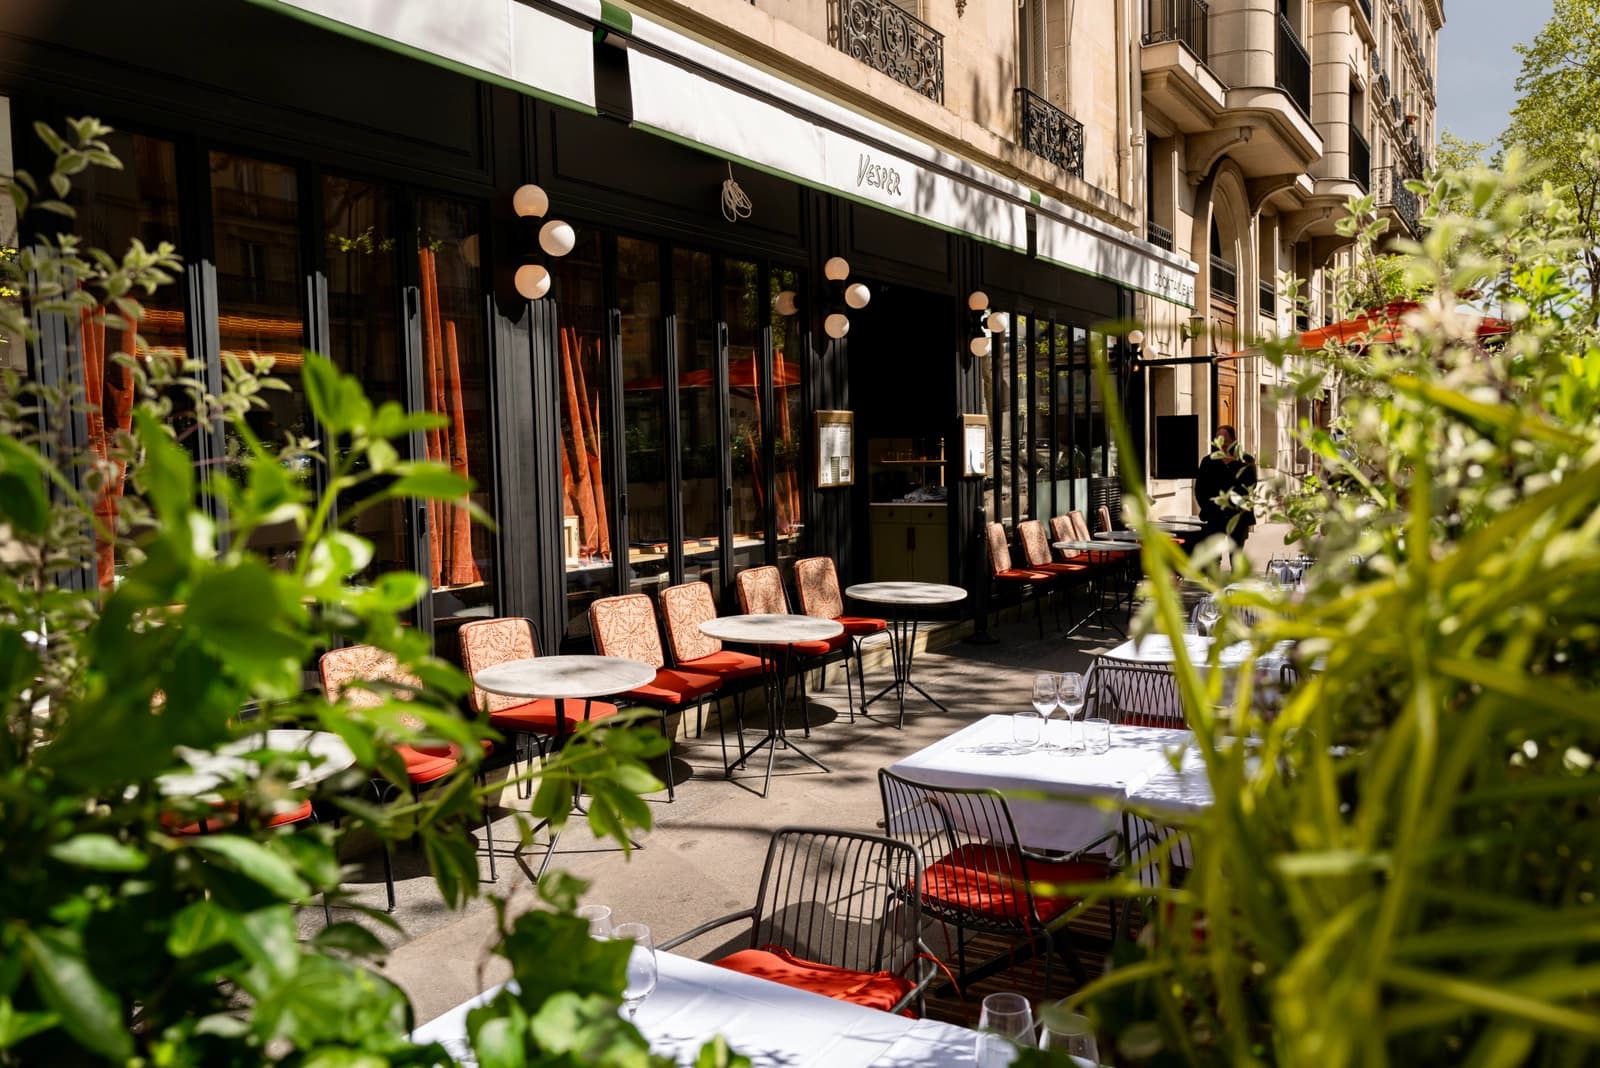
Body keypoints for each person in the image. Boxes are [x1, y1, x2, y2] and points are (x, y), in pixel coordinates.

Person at [1194, 425, 1256, 557]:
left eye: (1225, 440)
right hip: (1215, 516)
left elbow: (1250, 486)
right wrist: (1208, 508)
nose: (1222, 444)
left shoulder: (1246, 461)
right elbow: (1200, 489)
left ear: (1233, 440)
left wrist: (1233, 464)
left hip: (1238, 516)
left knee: (1236, 556)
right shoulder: (1208, 462)